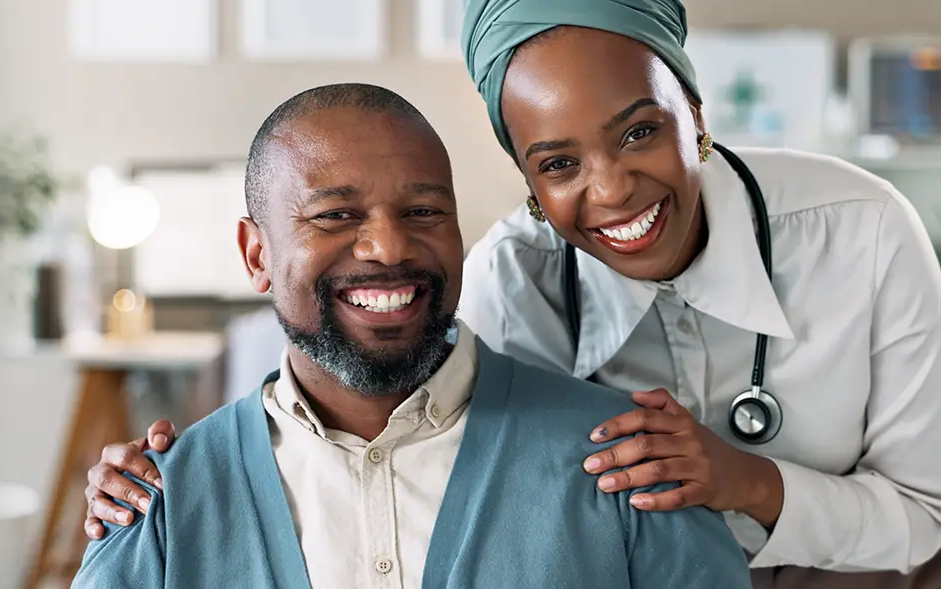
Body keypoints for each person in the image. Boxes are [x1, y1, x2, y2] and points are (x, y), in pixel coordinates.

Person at [79, 1, 941, 587]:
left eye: (640, 130)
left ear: (698, 114)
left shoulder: (859, 230)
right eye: (559, 162)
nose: (609, 190)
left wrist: (741, 480)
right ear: (527, 179)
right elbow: (393, 396)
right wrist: (174, 476)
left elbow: (924, 513)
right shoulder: (507, 278)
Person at [72, 82, 749, 589]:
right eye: (336, 214)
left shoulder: (631, 465)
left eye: (423, 210)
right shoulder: (159, 507)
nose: (389, 245)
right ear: (256, 255)